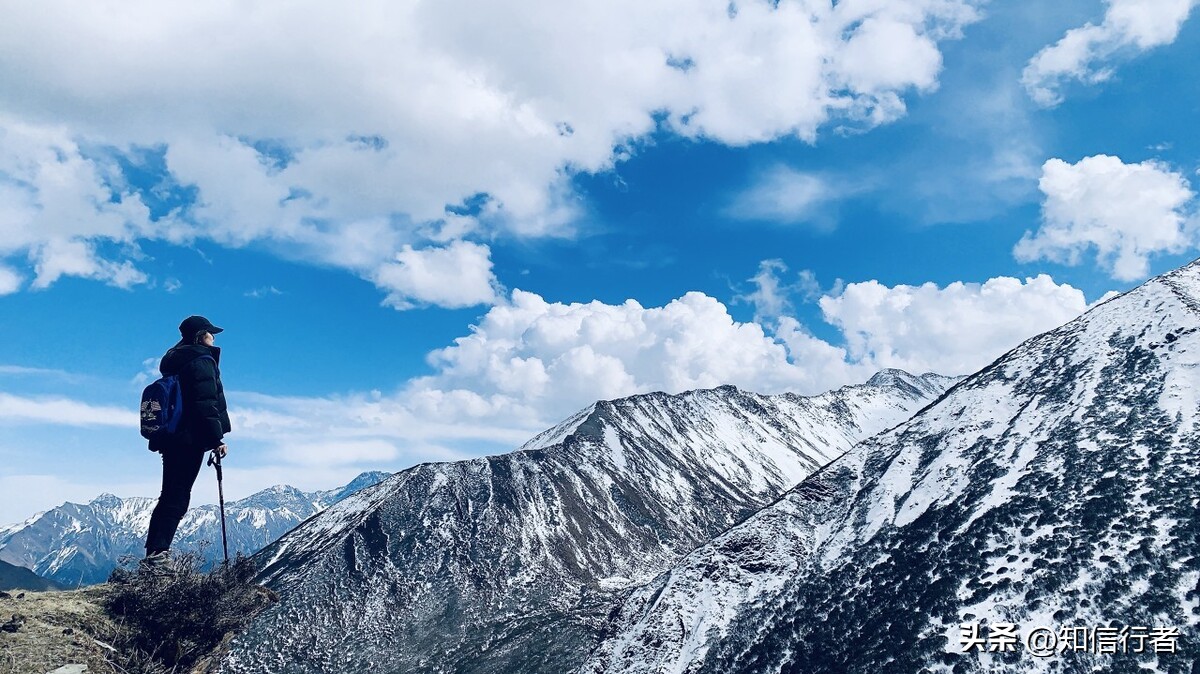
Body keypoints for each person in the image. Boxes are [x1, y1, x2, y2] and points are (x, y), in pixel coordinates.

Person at [143, 315, 232, 568]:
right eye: (210, 333)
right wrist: (216, 438)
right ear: (200, 335)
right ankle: (158, 557)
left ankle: (154, 553)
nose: (213, 337)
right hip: (189, 439)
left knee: (169, 494)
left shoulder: (175, 361)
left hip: (171, 437)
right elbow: (205, 404)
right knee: (178, 497)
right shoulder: (201, 361)